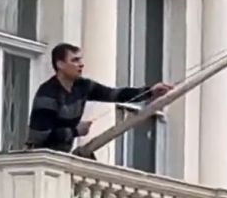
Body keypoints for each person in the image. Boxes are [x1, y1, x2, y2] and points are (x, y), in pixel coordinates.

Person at [26, 43, 173, 154]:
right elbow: (39, 137)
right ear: (60, 64)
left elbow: (114, 94)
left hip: (60, 156)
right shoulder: (47, 94)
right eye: (75, 60)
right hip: (40, 159)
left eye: (80, 60)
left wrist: (150, 92)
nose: (81, 64)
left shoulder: (82, 86)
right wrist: (75, 131)